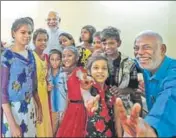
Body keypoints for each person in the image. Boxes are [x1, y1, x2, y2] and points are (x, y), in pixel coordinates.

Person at [116, 30, 176, 137]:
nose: (139, 52)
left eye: (146, 47)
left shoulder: (173, 72)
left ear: (162, 49)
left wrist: (151, 128)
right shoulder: (147, 66)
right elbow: (130, 61)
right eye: (136, 48)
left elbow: (170, 97)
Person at [1, 17, 42, 137]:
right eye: (23, 32)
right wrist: (12, 125)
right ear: (13, 33)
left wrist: (39, 107)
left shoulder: (31, 55)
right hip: (12, 109)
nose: (27, 35)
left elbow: (34, 85)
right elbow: (2, 91)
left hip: (29, 106)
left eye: (29, 32)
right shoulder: (7, 56)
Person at [100, 26, 142, 115]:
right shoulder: (97, 61)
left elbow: (133, 88)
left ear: (118, 43)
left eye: (111, 43)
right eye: (104, 43)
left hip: (123, 106)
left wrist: (121, 90)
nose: (107, 46)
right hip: (102, 106)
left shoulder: (129, 63)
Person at [82, 55, 118, 137]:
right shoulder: (86, 88)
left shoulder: (112, 92)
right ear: (89, 71)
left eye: (104, 68)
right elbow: (84, 92)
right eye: (96, 68)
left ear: (108, 73)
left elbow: (117, 119)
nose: (100, 71)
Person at [56, 46, 88, 137]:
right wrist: (64, 111)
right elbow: (68, 96)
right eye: (64, 56)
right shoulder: (67, 74)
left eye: (69, 55)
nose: (66, 58)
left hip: (79, 109)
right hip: (71, 108)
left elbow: (86, 86)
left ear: (77, 58)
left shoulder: (79, 71)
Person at [32, 28, 53, 137]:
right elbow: (32, 81)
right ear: (33, 41)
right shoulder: (31, 56)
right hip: (34, 93)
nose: (43, 42)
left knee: (45, 120)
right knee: (38, 120)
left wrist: (48, 84)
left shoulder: (47, 57)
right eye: (39, 40)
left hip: (44, 92)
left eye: (45, 40)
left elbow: (45, 76)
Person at [47, 49, 67, 136]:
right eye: (52, 59)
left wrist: (67, 108)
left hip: (63, 107)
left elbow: (68, 91)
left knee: (62, 129)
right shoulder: (47, 73)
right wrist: (47, 89)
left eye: (57, 59)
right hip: (52, 107)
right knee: (53, 130)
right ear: (49, 60)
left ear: (61, 60)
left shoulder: (64, 73)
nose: (55, 62)